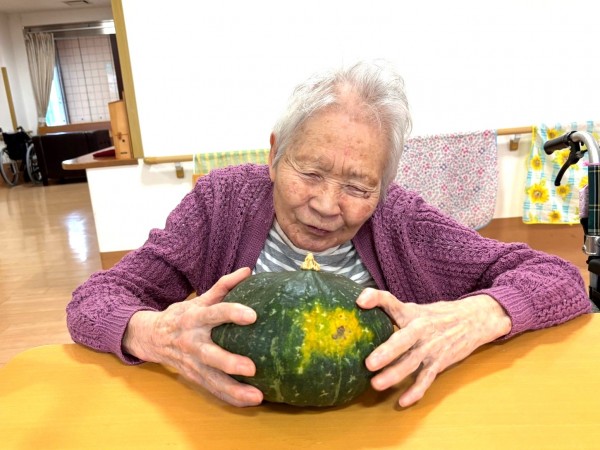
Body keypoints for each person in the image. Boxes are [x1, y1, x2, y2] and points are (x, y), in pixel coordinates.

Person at [67, 60, 592, 408]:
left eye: (358, 186)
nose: (325, 204)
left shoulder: (403, 222)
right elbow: (95, 299)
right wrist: (152, 332)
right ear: (275, 153)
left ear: (385, 186)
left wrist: (475, 315)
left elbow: (558, 278)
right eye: (310, 172)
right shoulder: (222, 202)